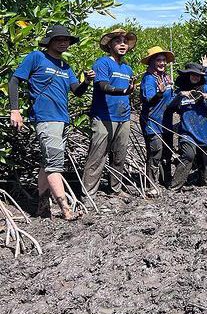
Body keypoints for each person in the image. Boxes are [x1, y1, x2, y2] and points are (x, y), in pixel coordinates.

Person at [9, 25, 94, 220]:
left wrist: (87, 82)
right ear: (50, 42)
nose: (64, 42)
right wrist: (15, 110)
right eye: (59, 39)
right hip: (46, 119)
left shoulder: (65, 66)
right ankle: (66, 209)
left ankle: (42, 207)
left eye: (66, 40)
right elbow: (14, 80)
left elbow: (77, 92)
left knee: (47, 164)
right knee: (55, 165)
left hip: (62, 120)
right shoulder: (36, 57)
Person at [83, 28, 137, 197]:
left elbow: (129, 91)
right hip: (103, 117)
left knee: (120, 155)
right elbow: (102, 85)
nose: (122, 45)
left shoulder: (127, 69)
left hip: (124, 117)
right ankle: (88, 194)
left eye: (125, 42)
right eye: (118, 41)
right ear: (109, 45)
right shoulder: (102, 63)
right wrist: (122, 91)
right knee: (97, 156)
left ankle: (115, 189)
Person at [169, 63, 207, 190]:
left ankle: (203, 185)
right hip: (187, 131)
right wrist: (181, 95)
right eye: (193, 74)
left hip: (205, 131)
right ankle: (175, 186)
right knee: (188, 155)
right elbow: (171, 107)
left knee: (205, 162)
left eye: (198, 75)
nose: (195, 77)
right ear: (188, 75)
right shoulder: (181, 90)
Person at [139, 46, 176, 189]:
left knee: (167, 153)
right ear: (151, 62)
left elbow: (171, 100)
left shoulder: (165, 77)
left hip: (166, 122)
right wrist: (160, 93)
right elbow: (149, 100)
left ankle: (166, 180)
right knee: (155, 152)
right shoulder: (148, 79)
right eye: (158, 60)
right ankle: (151, 185)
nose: (162, 63)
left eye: (164, 60)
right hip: (152, 122)